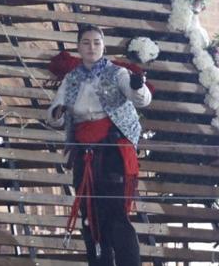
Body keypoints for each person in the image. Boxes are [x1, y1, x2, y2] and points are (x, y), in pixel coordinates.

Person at [48, 25, 151, 266]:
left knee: (115, 214)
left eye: (96, 42)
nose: (91, 47)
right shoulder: (72, 79)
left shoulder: (117, 73)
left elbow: (141, 98)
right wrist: (58, 113)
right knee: (90, 214)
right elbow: (54, 115)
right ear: (78, 47)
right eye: (86, 42)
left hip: (112, 151)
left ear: (103, 46)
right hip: (84, 153)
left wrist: (137, 86)